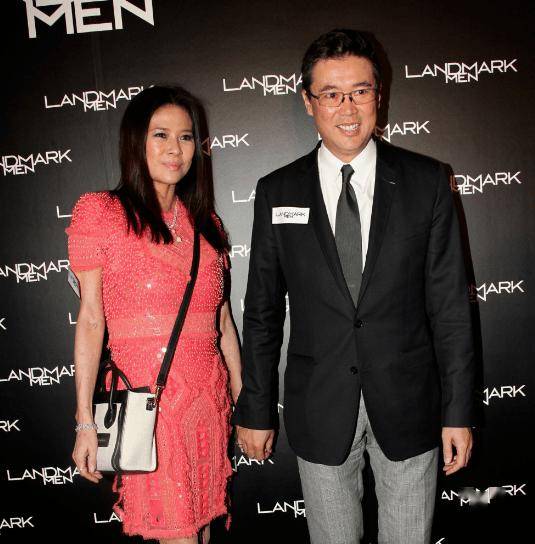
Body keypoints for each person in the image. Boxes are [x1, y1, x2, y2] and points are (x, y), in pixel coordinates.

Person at [233, 29, 475, 544]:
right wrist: (255, 407)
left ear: (378, 96)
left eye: (360, 91)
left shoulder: (427, 181)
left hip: (409, 402)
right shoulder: (277, 190)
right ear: (308, 102)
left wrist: (457, 412)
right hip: (319, 404)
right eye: (331, 94)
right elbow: (262, 311)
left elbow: (451, 306)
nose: (347, 108)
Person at [67, 86, 242, 544]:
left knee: (202, 529)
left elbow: (223, 323)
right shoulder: (102, 213)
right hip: (149, 404)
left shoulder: (207, 224)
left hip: (207, 402)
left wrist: (243, 397)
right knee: (176, 533)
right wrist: (85, 422)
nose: (175, 149)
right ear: (135, 142)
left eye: (185, 137)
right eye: (161, 135)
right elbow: (91, 319)